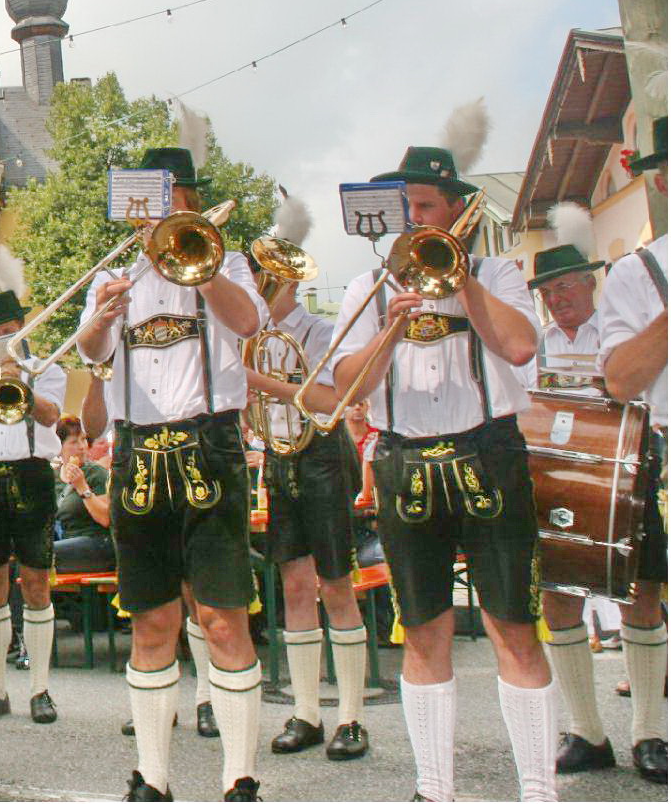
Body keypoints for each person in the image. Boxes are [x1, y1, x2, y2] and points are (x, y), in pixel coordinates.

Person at [330, 142, 549, 801]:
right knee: (423, 630)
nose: (414, 219)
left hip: (488, 451)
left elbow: (518, 347)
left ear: (456, 210)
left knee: (513, 625)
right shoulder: (367, 288)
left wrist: (461, 280)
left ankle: (538, 789)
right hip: (404, 459)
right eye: (405, 209)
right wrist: (389, 330)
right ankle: (434, 787)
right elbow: (346, 387)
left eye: (425, 206)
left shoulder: (496, 271)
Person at [74, 145, 268, 802]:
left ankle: (239, 777)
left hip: (208, 442)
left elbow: (247, 322)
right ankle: (152, 777)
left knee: (222, 616)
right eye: (145, 205)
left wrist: (197, 266)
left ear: (190, 204)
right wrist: (102, 317)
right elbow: (91, 353)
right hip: (137, 451)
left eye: (168, 202)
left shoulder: (225, 263)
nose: (154, 216)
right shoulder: (115, 276)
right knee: (150, 618)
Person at [522, 240, 660, 778]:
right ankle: (586, 733)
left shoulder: (619, 327)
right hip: (558, 482)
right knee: (559, 597)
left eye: (565, 286)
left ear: (590, 283)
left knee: (641, 593)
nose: (557, 298)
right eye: (548, 291)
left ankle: (650, 733)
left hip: (627, 476)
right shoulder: (536, 344)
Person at [241, 263, 370, 762]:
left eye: (268, 279)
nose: (260, 288)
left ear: (291, 282)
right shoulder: (252, 335)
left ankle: (352, 717)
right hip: (281, 454)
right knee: (294, 584)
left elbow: (330, 400)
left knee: (335, 582)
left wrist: (256, 380)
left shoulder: (318, 330)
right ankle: (307, 712)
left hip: (321, 453)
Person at [595, 116, 668, 785]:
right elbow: (619, 380)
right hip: (664, 447)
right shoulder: (637, 271)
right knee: (645, 592)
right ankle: (650, 730)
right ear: (661, 180)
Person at [0, 289, 69, 727]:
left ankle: (40, 688)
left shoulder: (47, 368)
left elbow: (50, 416)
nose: (2, 340)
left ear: (23, 329)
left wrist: (18, 379)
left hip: (32, 473)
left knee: (37, 581)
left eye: (9, 331)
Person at [53, 416, 114, 573]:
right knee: (23, 554)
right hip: (67, 541)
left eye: (83, 440)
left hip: (97, 543)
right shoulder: (53, 477)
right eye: (74, 442)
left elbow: (106, 519)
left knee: (40, 556)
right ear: (59, 447)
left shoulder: (96, 473)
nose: (81, 447)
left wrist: (82, 487)